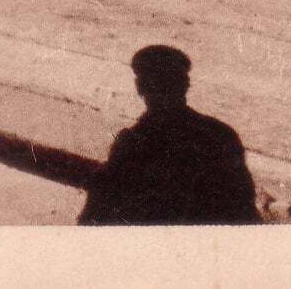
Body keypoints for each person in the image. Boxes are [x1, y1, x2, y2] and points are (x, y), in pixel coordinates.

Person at [79, 45, 260, 226]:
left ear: (140, 88)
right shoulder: (219, 134)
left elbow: (97, 213)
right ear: (185, 85)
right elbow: (244, 206)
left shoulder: (132, 144)